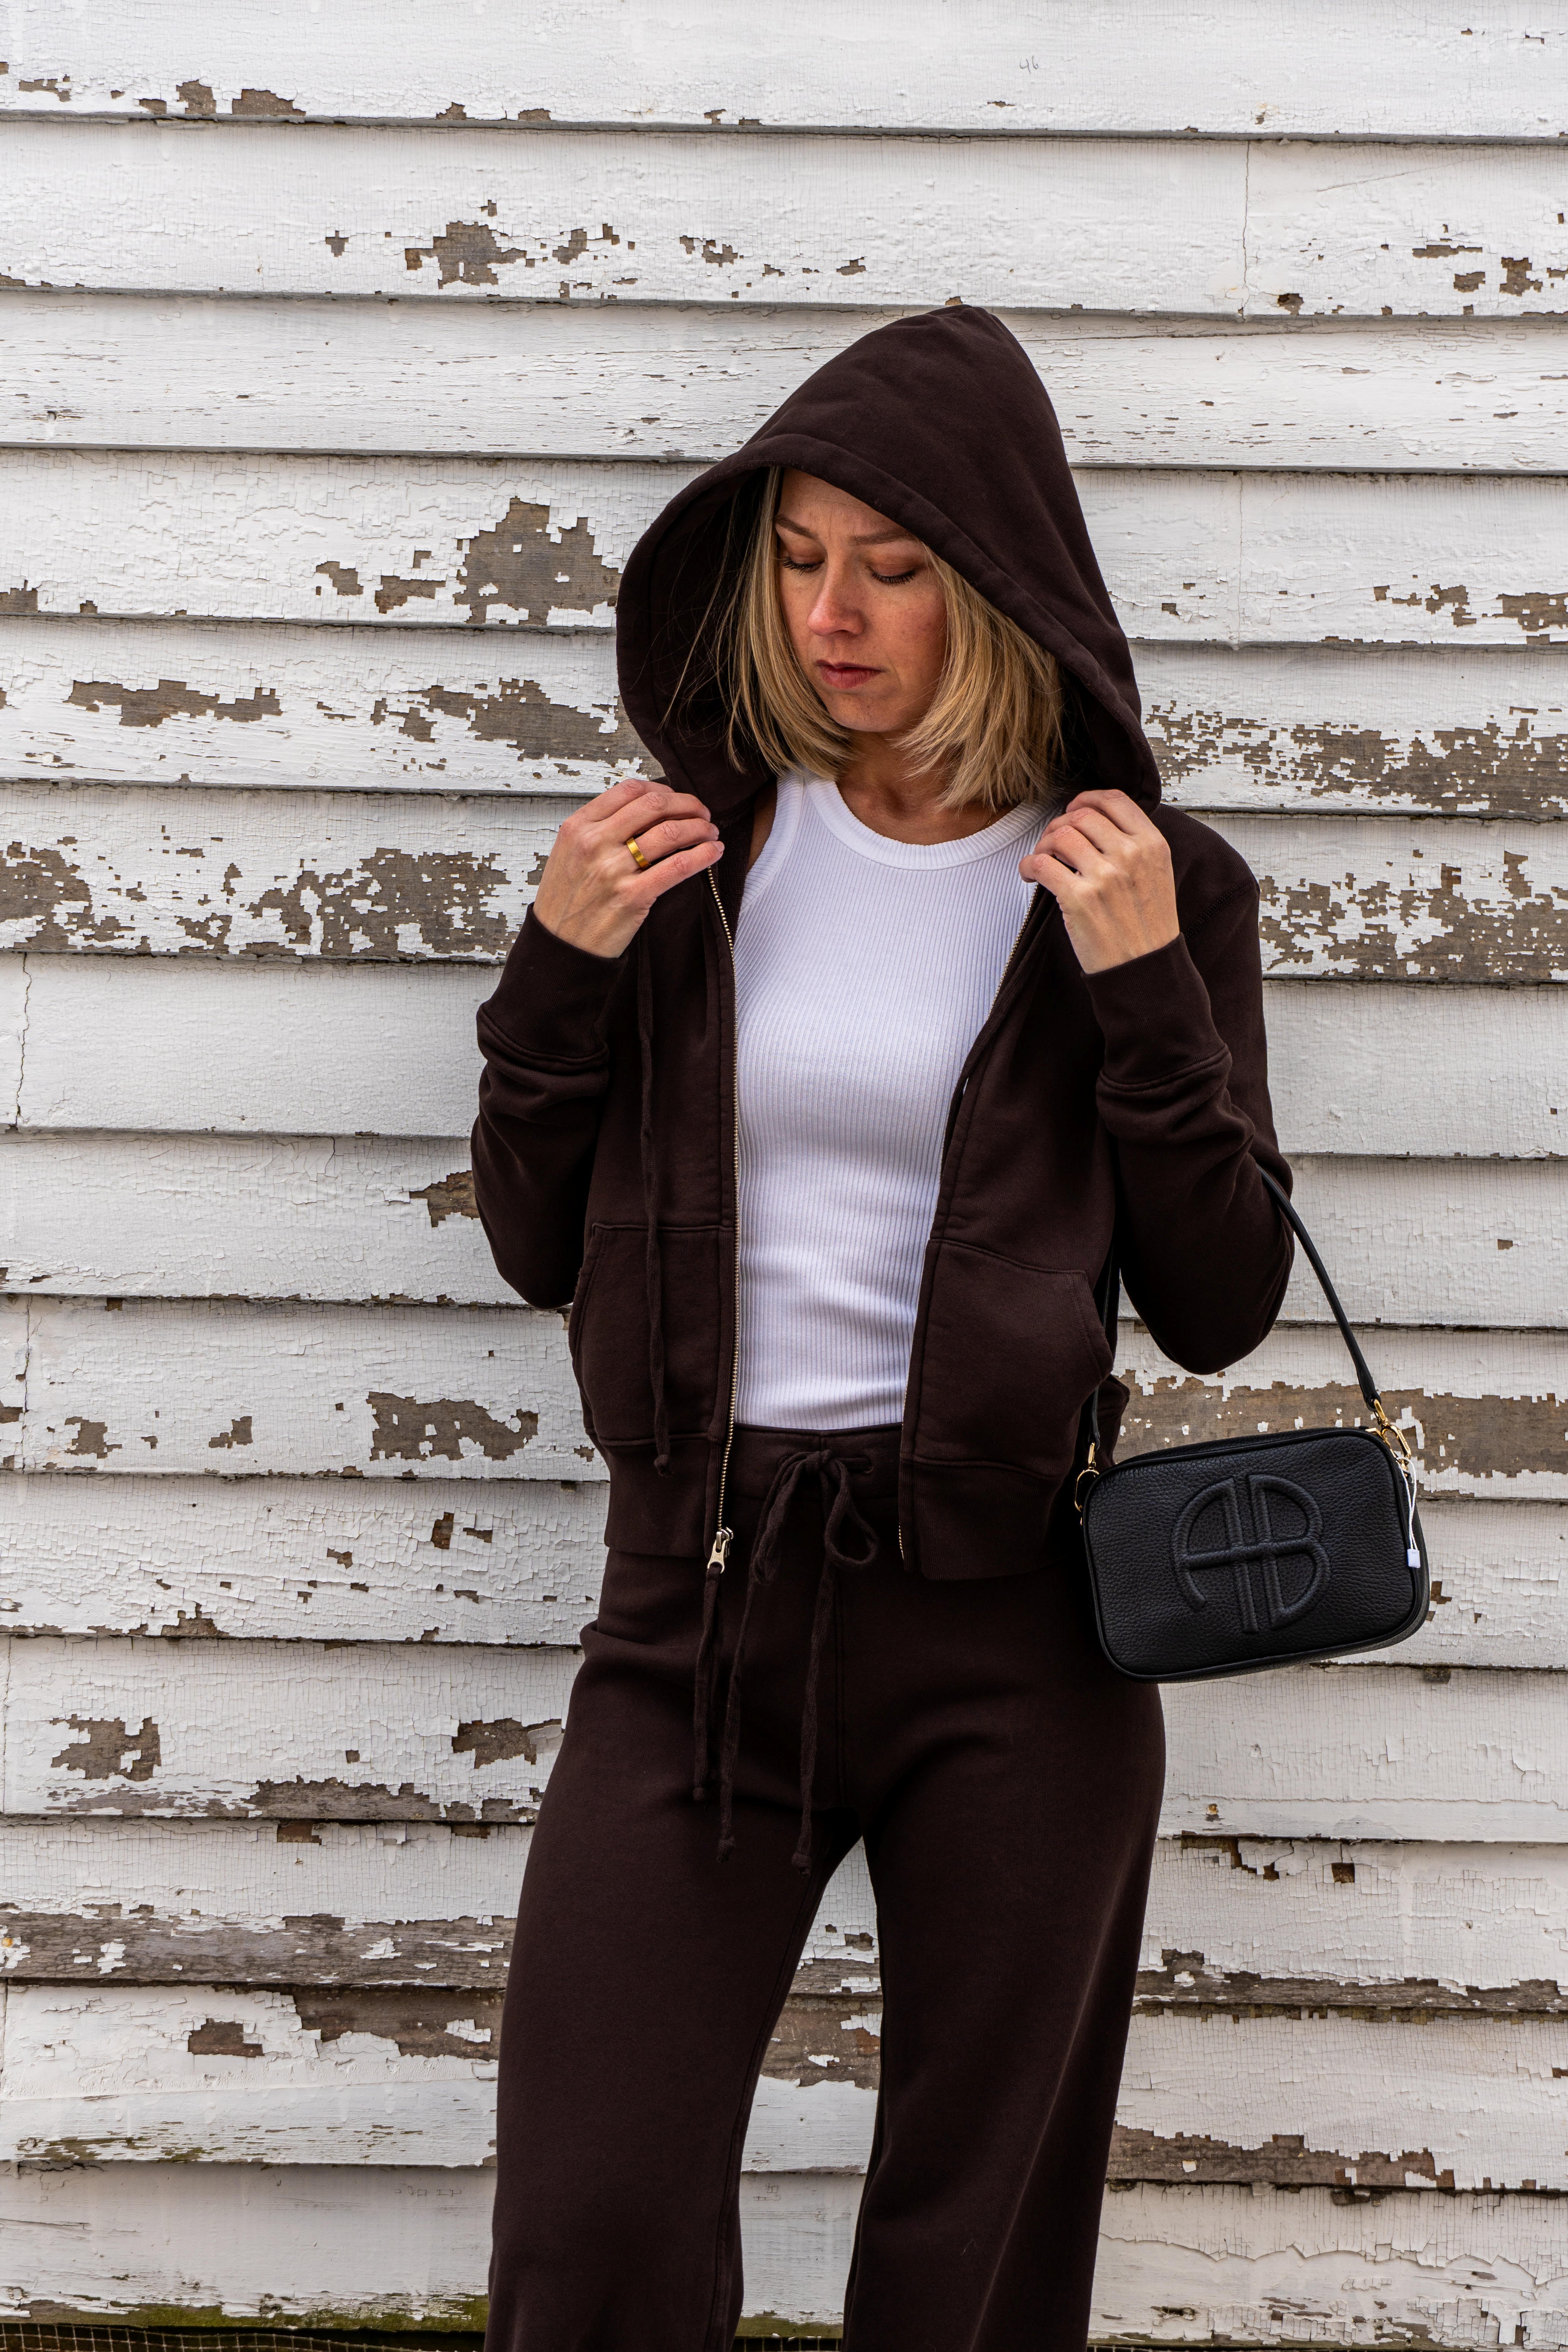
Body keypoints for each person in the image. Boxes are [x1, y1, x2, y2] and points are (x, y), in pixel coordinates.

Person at [473, 305, 1292, 2352]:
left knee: (968, 2264)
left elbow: (1219, 1304)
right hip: (695, 1617)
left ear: (999, 586)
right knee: (594, 2219)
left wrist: (1145, 998)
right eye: (797, 559)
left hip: (1016, 1638)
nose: (831, 616)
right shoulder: (691, 854)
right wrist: (558, 972)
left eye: (895, 568)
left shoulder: (1143, 885)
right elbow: (533, 1239)